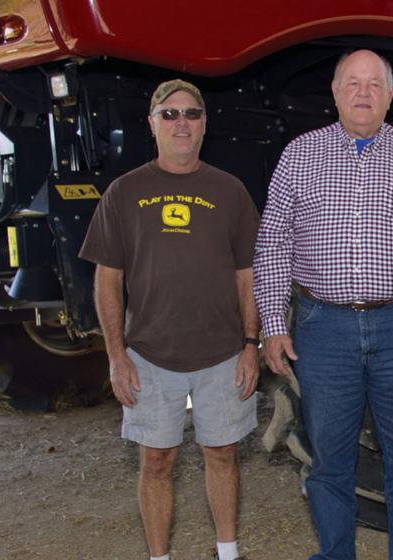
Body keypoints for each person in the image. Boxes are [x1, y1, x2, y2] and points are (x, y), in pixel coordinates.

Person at [253, 50, 393, 560]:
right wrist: (274, 324)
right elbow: (273, 244)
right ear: (335, 92)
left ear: (391, 96)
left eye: (375, 84)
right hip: (324, 328)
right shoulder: (300, 155)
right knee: (329, 459)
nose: (363, 93)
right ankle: (335, 552)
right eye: (353, 83)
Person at [80, 79, 259, 560]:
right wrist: (116, 357)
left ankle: (227, 552)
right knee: (156, 461)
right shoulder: (124, 192)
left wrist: (250, 345)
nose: (182, 123)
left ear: (205, 124)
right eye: (170, 114)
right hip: (149, 355)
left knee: (222, 454)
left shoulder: (230, 191)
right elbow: (107, 281)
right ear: (152, 123)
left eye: (192, 114)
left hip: (222, 353)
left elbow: (248, 275)